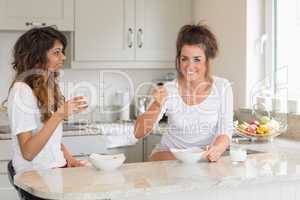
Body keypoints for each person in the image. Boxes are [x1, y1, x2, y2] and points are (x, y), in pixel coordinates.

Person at [134, 23, 233, 162]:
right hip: (168, 158)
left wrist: (217, 149)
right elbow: (138, 133)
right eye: (184, 59)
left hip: (203, 160)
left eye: (197, 59)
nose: (189, 66)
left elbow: (225, 131)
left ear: (208, 60)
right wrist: (156, 104)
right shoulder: (169, 89)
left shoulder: (222, 87)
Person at [6, 26, 87, 175]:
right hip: (35, 175)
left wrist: (70, 159)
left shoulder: (46, 87)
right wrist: (59, 115)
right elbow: (28, 153)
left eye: (62, 52)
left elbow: (51, 138)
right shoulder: (22, 91)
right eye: (56, 53)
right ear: (37, 56)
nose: (63, 57)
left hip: (55, 169)